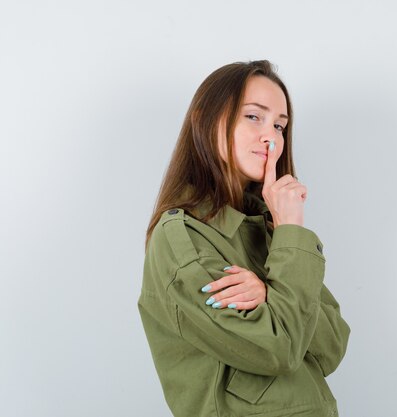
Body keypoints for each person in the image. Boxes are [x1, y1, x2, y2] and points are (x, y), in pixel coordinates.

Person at [137, 60, 351, 417]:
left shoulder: (271, 229)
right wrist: (290, 234)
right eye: (254, 117)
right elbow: (280, 349)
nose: (272, 137)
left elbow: (332, 347)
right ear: (207, 119)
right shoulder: (184, 240)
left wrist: (270, 288)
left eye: (280, 126)